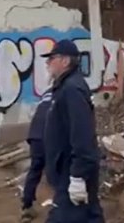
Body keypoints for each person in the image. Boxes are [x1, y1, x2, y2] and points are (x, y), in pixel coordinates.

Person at [40, 40, 103, 223]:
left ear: (65, 61)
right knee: (90, 215)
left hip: (71, 172)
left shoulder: (71, 90)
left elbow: (82, 135)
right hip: (68, 170)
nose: (47, 63)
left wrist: (77, 176)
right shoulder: (65, 87)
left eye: (52, 58)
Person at [21, 85, 53, 222]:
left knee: (35, 170)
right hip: (51, 136)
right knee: (60, 172)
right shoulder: (69, 92)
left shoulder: (46, 93)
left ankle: (26, 208)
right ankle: (62, 210)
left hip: (35, 136)